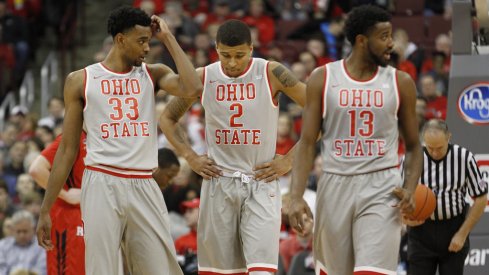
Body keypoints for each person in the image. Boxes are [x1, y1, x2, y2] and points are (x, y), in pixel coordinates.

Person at [36, 6, 202, 275]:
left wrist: (168, 38)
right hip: (102, 180)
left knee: (160, 269)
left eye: (148, 40)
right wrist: (46, 209)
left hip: (144, 182)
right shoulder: (81, 80)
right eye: (141, 41)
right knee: (102, 269)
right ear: (120, 39)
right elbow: (67, 150)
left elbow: (194, 88)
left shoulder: (153, 74)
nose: (147, 48)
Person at [160, 19, 306, 275]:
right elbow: (167, 119)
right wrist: (190, 157)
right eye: (225, 55)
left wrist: (290, 159)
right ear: (216, 49)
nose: (232, 62)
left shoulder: (271, 72)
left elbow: (320, 112)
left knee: (262, 270)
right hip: (219, 183)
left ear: (251, 48)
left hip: (260, 181)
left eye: (239, 55)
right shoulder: (204, 76)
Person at [287, 5, 423, 275]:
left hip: (382, 186)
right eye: (384, 36)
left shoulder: (401, 82)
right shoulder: (323, 78)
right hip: (335, 183)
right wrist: (295, 195)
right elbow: (306, 142)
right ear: (362, 40)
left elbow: (414, 146)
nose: (391, 44)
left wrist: (409, 187)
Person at [404, 119, 488, 275]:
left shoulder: (464, 158)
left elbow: (481, 199)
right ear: (423, 141)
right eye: (430, 148)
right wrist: (405, 218)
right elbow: (400, 196)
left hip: (453, 228)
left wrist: (462, 234)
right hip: (421, 231)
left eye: (439, 148)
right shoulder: (412, 159)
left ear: (449, 137)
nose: (435, 153)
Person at [29, 132, 86, 275]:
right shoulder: (74, 137)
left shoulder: (102, 135)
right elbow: (37, 169)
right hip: (69, 215)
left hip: (92, 213)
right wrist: (65, 195)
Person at [0, 210, 46, 275]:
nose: (22, 235)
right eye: (18, 231)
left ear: (33, 229)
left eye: (25, 231)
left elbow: (42, 270)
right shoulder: (2, 246)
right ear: (13, 230)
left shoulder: (42, 246)